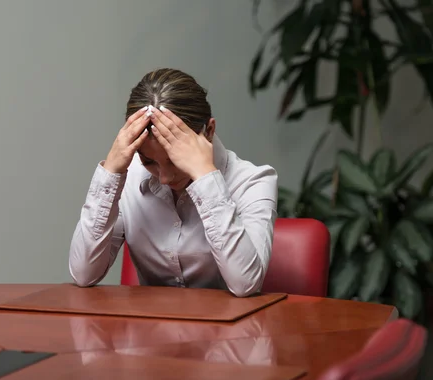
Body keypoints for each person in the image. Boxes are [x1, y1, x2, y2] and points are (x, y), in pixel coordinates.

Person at [69, 68, 278, 297]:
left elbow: (246, 284)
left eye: (175, 160)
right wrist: (111, 172)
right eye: (149, 161)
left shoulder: (254, 181)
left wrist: (204, 176)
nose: (165, 177)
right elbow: (83, 274)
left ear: (208, 131)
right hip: (150, 330)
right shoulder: (130, 177)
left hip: (229, 331)